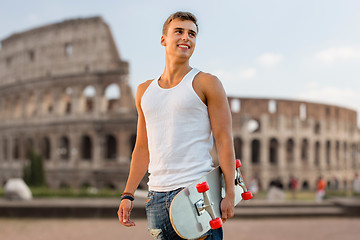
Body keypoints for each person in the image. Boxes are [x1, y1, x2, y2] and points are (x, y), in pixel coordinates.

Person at [117, 11, 236, 240]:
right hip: (156, 198)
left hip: (197, 193)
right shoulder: (144, 91)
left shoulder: (207, 83)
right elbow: (142, 147)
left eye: (192, 34)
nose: (186, 38)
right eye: (179, 31)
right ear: (163, 39)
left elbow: (224, 140)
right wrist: (128, 194)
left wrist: (229, 192)